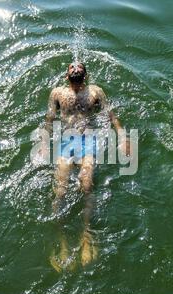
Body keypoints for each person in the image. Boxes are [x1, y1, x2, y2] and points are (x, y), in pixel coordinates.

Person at [43, 62, 129, 272]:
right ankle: (62, 241)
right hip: (65, 140)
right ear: (66, 75)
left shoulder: (96, 92)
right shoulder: (57, 93)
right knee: (60, 189)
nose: (75, 68)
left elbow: (111, 116)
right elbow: (49, 118)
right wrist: (44, 143)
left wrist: (123, 137)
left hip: (88, 140)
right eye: (72, 67)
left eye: (79, 66)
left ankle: (86, 235)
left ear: (85, 74)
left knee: (87, 183)